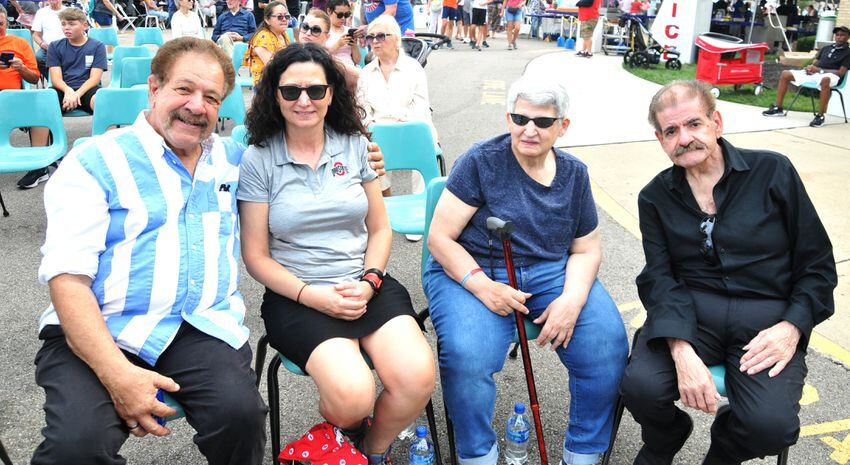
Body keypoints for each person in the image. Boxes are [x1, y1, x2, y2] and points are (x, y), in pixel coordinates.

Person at [31, 36, 270, 465]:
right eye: (184, 89)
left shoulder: (232, 161)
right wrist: (119, 376)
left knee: (242, 417)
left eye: (211, 98)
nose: (198, 106)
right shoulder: (95, 161)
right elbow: (67, 280)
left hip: (197, 326)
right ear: (154, 88)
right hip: (102, 325)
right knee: (76, 448)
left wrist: (363, 154)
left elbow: (300, 151)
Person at [620, 80, 837, 465]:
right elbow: (659, 277)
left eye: (694, 124)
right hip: (690, 313)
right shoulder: (654, 197)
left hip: (765, 318)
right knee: (640, 388)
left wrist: (792, 328)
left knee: (769, 427)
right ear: (660, 138)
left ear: (716, 122)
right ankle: (666, 436)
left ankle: (723, 450)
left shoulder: (773, 172)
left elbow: (816, 264)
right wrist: (680, 347)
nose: (684, 138)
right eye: (671, 131)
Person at [237, 43, 435, 465]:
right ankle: (345, 431)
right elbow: (255, 256)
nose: (304, 100)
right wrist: (315, 296)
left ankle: (369, 451)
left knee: (417, 376)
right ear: (274, 95)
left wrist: (370, 280)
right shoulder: (258, 159)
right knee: (352, 397)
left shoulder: (356, 145)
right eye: (291, 91)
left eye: (316, 90)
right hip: (299, 294)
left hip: (365, 281)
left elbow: (379, 228)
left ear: (332, 94)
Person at [423, 75, 629, 465]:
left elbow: (586, 249)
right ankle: (477, 454)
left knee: (607, 347)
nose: (528, 130)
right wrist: (484, 287)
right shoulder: (481, 161)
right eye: (519, 119)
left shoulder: (574, 174)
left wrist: (572, 299)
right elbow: (440, 239)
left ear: (563, 126)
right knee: (468, 356)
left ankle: (582, 452)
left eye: (542, 121)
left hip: (551, 270)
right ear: (508, 119)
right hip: (475, 267)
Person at [357, 14, 438, 227]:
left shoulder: (414, 69)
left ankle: (421, 210)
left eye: (380, 36)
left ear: (396, 39)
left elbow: (420, 107)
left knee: (423, 142)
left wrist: (403, 126)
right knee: (367, 148)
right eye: (370, 37)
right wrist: (378, 128)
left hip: (411, 126)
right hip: (380, 130)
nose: (374, 41)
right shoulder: (366, 73)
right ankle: (384, 207)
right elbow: (363, 110)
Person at [1, 5, 50, 189]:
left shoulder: (19, 43)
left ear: (6, 22)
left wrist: (21, 68)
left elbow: (35, 77)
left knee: (42, 106)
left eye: (0, 23)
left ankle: (38, 167)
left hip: (13, 98)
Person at [762, 25, 849, 128]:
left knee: (826, 79)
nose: (839, 37)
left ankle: (820, 116)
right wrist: (810, 67)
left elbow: (841, 73)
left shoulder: (848, 52)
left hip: (832, 76)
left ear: (848, 37)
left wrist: (820, 70)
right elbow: (816, 62)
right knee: (785, 74)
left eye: (842, 35)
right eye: (837, 35)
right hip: (816, 73)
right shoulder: (826, 48)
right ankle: (778, 108)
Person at [244, 0, 291, 86]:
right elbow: (274, 67)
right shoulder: (263, 37)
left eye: (287, 16)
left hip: (283, 79)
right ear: (267, 20)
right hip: (266, 85)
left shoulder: (284, 34)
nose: (284, 19)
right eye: (279, 17)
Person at [30, 0, 64, 78]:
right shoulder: (41, 12)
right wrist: (42, 44)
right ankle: (52, 80)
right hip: (47, 48)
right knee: (38, 58)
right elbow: (36, 35)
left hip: (66, 46)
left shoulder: (68, 11)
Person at [326, 0, 361, 69]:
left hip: (350, 68)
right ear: (329, 11)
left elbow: (357, 61)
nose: (343, 18)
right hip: (331, 69)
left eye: (346, 15)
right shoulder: (323, 30)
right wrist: (338, 44)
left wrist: (354, 45)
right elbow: (321, 57)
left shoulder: (348, 31)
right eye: (340, 15)